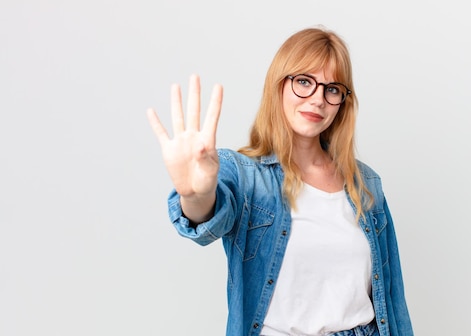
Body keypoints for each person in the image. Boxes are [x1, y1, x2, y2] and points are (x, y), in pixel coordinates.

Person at [147, 26, 414, 336]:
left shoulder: (365, 183)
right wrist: (196, 194)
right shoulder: (245, 176)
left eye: (332, 89)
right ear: (279, 86)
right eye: (304, 81)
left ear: (343, 101)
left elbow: (392, 304)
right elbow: (205, 220)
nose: (318, 99)